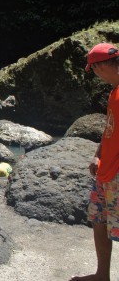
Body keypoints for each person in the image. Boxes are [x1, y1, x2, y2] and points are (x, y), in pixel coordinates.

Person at [71, 42, 119, 281]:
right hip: (105, 171)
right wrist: (98, 154)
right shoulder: (114, 91)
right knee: (98, 219)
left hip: (117, 174)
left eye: (95, 69)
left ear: (101, 66)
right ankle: (102, 275)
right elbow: (110, 128)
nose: (96, 75)